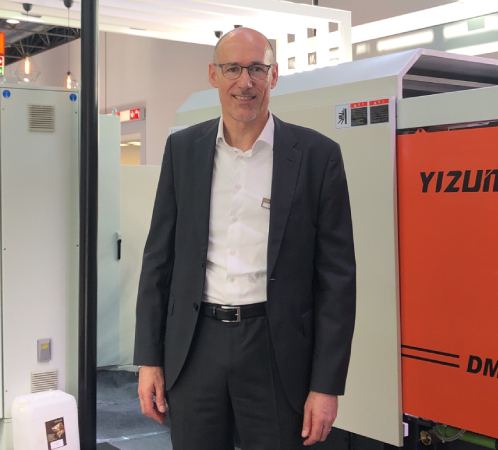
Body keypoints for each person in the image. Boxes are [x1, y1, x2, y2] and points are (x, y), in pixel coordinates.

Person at [133, 27, 356, 449]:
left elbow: (337, 280)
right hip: (194, 347)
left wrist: (326, 385)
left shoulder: (317, 157)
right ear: (213, 75)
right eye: (232, 68)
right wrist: (149, 359)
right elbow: (158, 260)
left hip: (276, 351)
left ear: (274, 76)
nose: (245, 82)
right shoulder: (183, 150)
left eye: (257, 69)